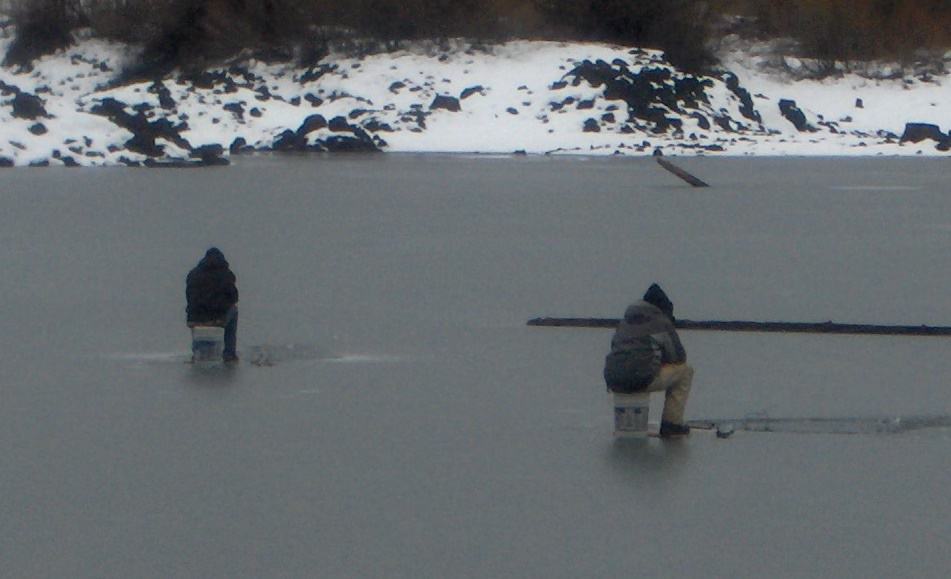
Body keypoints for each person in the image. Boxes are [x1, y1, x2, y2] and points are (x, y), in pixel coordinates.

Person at [603, 283, 694, 437]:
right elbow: (678, 357)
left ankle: (627, 426)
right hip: (639, 379)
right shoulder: (660, 322)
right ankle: (672, 425)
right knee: (685, 371)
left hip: (614, 381)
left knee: (638, 374)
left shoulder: (624, 322)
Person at [186, 247, 239, 362]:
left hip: (195, 318)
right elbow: (234, 297)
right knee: (234, 311)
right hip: (218, 317)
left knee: (196, 318)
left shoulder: (193, 274)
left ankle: (196, 352)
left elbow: (189, 297)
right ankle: (229, 353)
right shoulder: (227, 275)